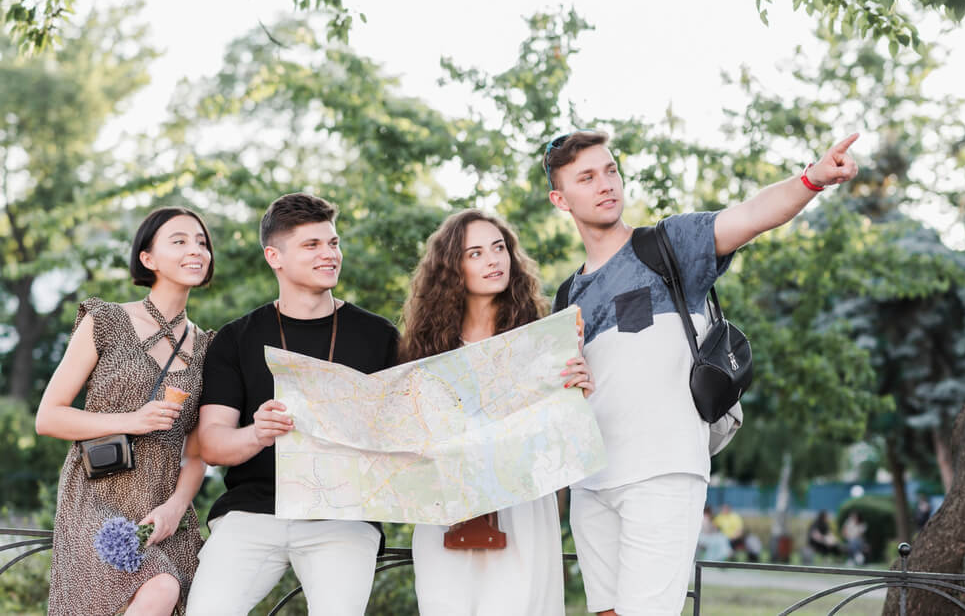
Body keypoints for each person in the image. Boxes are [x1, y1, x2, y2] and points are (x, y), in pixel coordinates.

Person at [543, 129, 859, 615]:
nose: (605, 184)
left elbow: (751, 215)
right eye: (586, 177)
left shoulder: (667, 246)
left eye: (610, 170)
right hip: (592, 483)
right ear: (560, 199)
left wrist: (812, 179)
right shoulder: (565, 298)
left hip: (663, 470)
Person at [187, 193, 399, 615]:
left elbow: (403, 436)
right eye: (312, 245)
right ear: (274, 256)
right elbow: (212, 444)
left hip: (343, 517)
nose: (329, 254)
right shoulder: (237, 337)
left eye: (333, 243)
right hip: (252, 512)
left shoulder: (379, 336)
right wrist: (257, 432)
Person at [400, 209, 594, 616]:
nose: (493, 260)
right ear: (451, 269)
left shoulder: (542, 341)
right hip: (448, 513)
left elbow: (558, 438)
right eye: (475, 253)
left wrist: (578, 391)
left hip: (522, 509)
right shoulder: (425, 353)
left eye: (499, 248)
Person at [36, 207, 215, 616]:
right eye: (180, 241)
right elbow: (48, 417)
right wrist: (132, 421)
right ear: (147, 259)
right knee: (160, 586)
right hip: (96, 499)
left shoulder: (208, 347)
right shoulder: (106, 321)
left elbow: (198, 450)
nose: (196, 250)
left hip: (163, 508)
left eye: (202, 242)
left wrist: (174, 508)